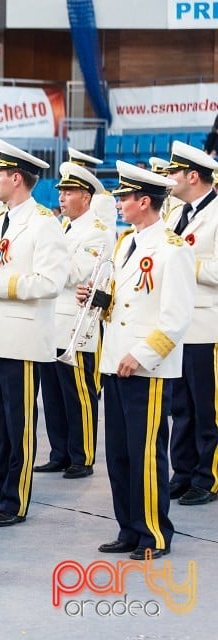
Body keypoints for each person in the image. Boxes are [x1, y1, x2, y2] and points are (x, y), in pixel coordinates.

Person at [82, 161, 194, 559]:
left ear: (144, 201)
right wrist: (99, 300)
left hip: (145, 366)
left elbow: (177, 315)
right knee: (119, 453)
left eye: (124, 197)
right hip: (115, 360)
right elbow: (126, 302)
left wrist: (143, 354)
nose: (118, 203)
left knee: (145, 453)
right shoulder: (126, 241)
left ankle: (154, 533)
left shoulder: (172, 248)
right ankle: (128, 527)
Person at [0, 139, 69, 527]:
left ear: (15, 178)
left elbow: (50, 281)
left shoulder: (44, 223)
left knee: (18, 425)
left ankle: (15, 498)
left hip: (22, 341)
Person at [35, 162, 115, 479]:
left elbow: (73, 273)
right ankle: (60, 452)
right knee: (53, 394)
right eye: (62, 191)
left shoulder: (97, 233)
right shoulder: (64, 229)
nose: (62, 197)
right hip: (51, 321)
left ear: (86, 195)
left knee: (78, 393)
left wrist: (47, 264)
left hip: (76, 326)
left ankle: (82, 456)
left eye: (69, 192)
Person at [162, 141, 218, 505]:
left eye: (173, 173)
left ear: (193, 176)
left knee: (206, 407)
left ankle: (207, 476)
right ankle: (182, 472)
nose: (168, 179)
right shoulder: (174, 215)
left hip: (205, 325)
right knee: (179, 407)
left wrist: (185, 266)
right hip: (177, 328)